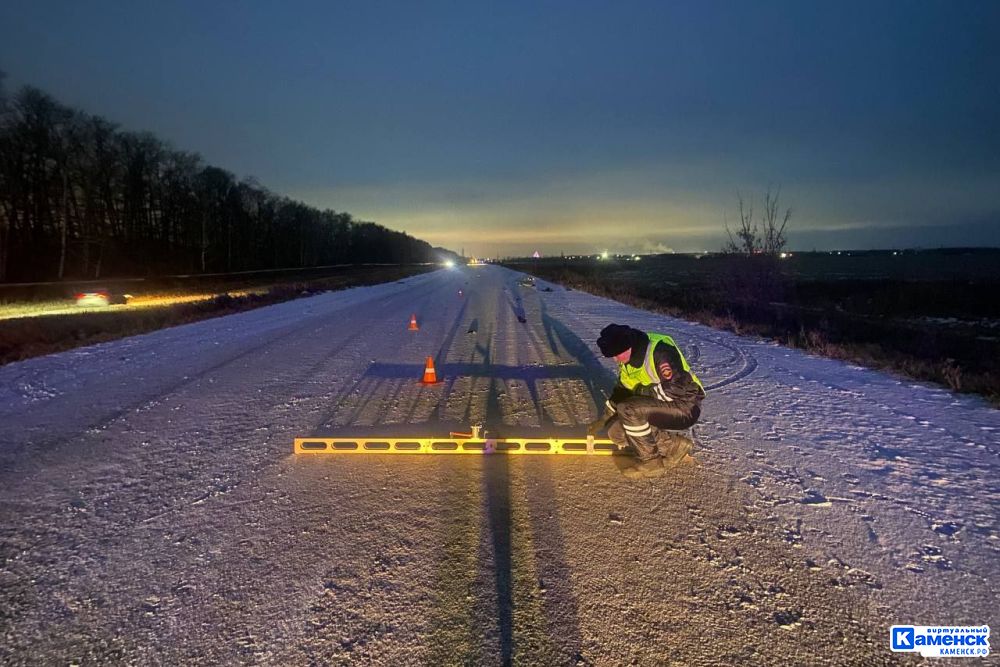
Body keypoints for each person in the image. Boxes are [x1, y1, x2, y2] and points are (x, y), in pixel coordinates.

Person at [588, 323, 706, 478]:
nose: (616, 360)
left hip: (686, 405)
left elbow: (677, 388)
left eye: (617, 354)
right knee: (616, 433)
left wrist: (643, 395)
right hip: (657, 404)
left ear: (629, 346)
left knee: (629, 410)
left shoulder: (660, 352)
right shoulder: (627, 362)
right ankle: (674, 446)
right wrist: (604, 419)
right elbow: (622, 391)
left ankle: (651, 462)